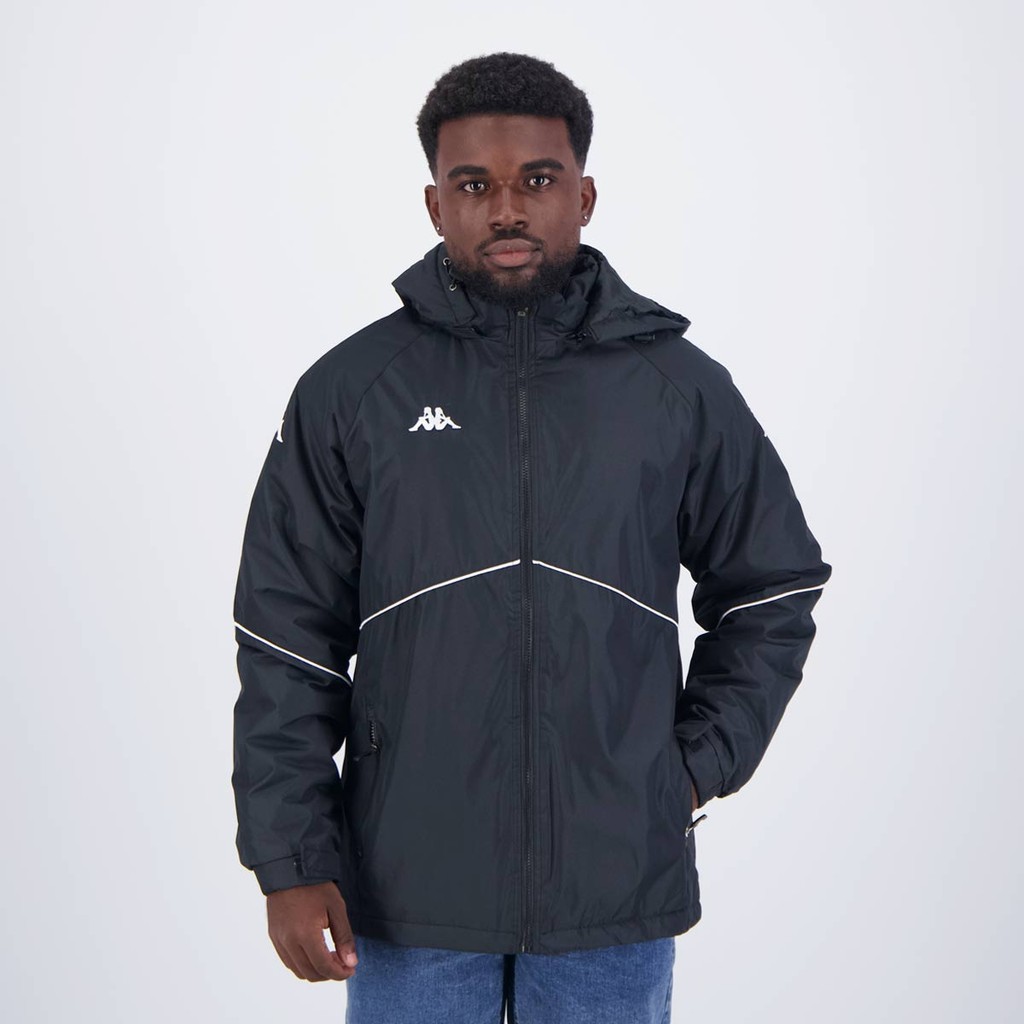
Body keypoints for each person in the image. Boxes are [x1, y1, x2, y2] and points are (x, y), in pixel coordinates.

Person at [231, 51, 832, 1023]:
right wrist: (291, 858)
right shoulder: (352, 391)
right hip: (408, 884)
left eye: (537, 180)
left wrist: (683, 771)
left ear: (584, 195)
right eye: (474, 185)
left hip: (612, 887)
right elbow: (284, 636)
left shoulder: (676, 388)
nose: (507, 208)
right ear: (435, 205)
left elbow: (771, 589)